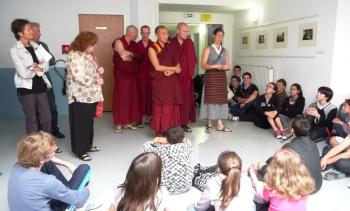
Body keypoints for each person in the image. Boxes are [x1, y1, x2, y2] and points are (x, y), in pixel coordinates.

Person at [7, 132, 93, 211]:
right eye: (53, 150)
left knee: (47, 164)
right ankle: (67, 195)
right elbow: (77, 199)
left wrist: (66, 164)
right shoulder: (47, 181)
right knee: (84, 168)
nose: (55, 148)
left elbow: (45, 159)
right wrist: (87, 188)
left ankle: (64, 191)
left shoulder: (16, 166)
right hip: (59, 203)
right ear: (41, 159)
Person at [256, 116, 323, 193]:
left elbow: (275, 164)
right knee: (272, 160)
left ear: (292, 130)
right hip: (317, 185)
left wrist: (265, 167)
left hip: (301, 189)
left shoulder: (289, 147)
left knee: (261, 164)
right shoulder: (313, 143)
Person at [10, 18, 52, 134]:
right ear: (20, 33)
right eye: (29, 29)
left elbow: (46, 66)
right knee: (32, 119)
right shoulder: (14, 50)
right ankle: (33, 147)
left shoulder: (38, 46)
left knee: (47, 118)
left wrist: (32, 68)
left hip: (40, 86)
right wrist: (36, 67)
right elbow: (23, 73)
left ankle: (47, 144)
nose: (32, 31)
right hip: (26, 88)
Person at [66, 31, 104, 161]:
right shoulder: (75, 55)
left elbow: (93, 69)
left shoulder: (87, 54)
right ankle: (79, 150)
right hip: (80, 96)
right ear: (84, 44)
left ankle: (87, 145)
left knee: (88, 122)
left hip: (90, 95)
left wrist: (99, 71)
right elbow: (79, 76)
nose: (94, 47)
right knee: (80, 124)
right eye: (92, 44)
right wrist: (95, 80)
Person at [31, 22, 65, 139]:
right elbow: (29, 65)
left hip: (46, 82)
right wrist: (39, 62)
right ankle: (41, 136)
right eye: (36, 31)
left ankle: (54, 129)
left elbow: (52, 60)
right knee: (36, 111)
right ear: (29, 32)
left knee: (52, 107)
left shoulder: (43, 45)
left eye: (39, 31)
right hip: (33, 83)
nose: (39, 34)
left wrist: (41, 61)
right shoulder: (26, 47)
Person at [148, 25, 183, 137]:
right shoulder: (152, 48)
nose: (165, 35)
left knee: (172, 105)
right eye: (162, 33)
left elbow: (178, 63)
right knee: (160, 106)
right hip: (160, 82)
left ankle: (172, 130)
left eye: (166, 33)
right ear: (156, 35)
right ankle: (160, 130)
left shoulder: (171, 47)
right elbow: (157, 67)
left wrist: (173, 71)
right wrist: (173, 69)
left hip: (171, 81)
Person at [141, 126, 193, 194]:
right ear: (183, 138)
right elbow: (186, 140)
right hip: (187, 186)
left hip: (167, 189)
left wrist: (156, 140)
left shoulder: (162, 149)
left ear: (167, 139)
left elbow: (144, 148)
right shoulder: (188, 146)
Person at [199, 28, 232, 133]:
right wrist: (214, 66)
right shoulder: (208, 49)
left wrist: (227, 67)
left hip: (221, 77)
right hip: (211, 77)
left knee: (221, 100)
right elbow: (203, 64)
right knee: (210, 99)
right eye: (218, 35)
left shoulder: (225, 50)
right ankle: (209, 124)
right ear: (213, 36)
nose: (220, 38)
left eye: (222, 36)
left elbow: (227, 65)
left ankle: (220, 124)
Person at [112, 25, 142, 133]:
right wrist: (128, 56)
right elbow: (123, 57)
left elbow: (139, 57)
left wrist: (131, 54)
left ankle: (128, 122)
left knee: (131, 98)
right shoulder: (118, 41)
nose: (137, 35)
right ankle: (119, 124)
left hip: (132, 74)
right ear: (131, 32)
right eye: (136, 33)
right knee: (121, 98)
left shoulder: (134, 44)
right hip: (122, 75)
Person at [169, 22, 198, 133]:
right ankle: (174, 123)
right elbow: (168, 59)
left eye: (187, 31)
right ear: (177, 30)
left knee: (186, 101)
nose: (186, 33)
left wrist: (191, 72)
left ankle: (184, 123)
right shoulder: (170, 42)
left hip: (186, 77)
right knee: (174, 101)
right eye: (184, 31)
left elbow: (193, 59)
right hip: (174, 77)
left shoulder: (189, 42)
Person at [136, 25, 154, 127]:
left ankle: (149, 117)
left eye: (147, 32)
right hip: (140, 75)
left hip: (151, 75)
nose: (145, 35)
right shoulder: (137, 45)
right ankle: (140, 119)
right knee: (141, 96)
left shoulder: (154, 44)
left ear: (150, 33)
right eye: (143, 32)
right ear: (140, 33)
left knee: (151, 96)